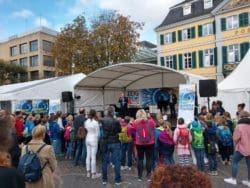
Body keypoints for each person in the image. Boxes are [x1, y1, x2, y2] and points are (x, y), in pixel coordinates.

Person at [0, 110, 25, 188]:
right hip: (10, 165)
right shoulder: (11, 174)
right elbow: (16, 152)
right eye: (13, 121)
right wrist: (20, 149)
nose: (15, 123)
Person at [224, 111, 250, 186]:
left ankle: (233, 179)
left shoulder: (239, 126)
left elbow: (235, 138)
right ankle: (249, 182)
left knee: (234, 162)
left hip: (241, 148)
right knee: (249, 165)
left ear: (241, 117)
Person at [130, 109, 155, 181]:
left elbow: (132, 129)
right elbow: (154, 126)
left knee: (140, 159)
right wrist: (149, 117)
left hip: (139, 143)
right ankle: (148, 176)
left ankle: (140, 176)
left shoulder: (135, 122)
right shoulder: (150, 121)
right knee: (149, 159)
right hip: (150, 143)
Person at [100, 106, 122, 185]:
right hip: (114, 142)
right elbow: (120, 130)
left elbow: (102, 129)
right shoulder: (115, 121)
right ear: (113, 112)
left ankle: (104, 179)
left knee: (104, 162)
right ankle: (117, 180)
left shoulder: (102, 120)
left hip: (106, 142)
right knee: (116, 162)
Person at [85, 109, 101, 179]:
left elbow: (86, 130)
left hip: (87, 138)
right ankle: (93, 174)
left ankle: (88, 172)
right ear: (95, 114)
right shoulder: (95, 122)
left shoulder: (86, 122)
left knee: (88, 155)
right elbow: (98, 134)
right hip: (94, 139)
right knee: (93, 156)